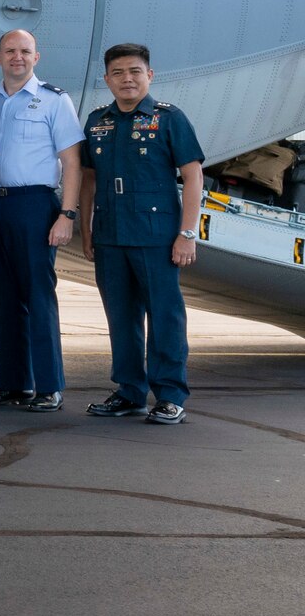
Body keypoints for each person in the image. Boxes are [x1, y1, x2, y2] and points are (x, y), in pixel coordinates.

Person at [80, 43, 205, 425]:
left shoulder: (170, 119)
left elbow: (193, 175)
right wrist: (87, 230)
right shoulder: (97, 121)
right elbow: (88, 179)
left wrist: (187, 233)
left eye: (134, 71)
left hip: (156, 237)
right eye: (118, 73)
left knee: (164, 317)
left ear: (149, 75)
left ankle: (169, 395)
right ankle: (130, 391)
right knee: (121, 317)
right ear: (107, 80)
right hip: (110, 236)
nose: (127, 79)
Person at [0, 29, 83, 412]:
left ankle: (48, 386)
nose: (17, 57)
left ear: (37, 57)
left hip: (33, 204)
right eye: (10, 51)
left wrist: (66, 214)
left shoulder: (54, 101)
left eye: (25, 51)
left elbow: (72, 162)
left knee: (38, 297)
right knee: (2, 298)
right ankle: (14, 383)